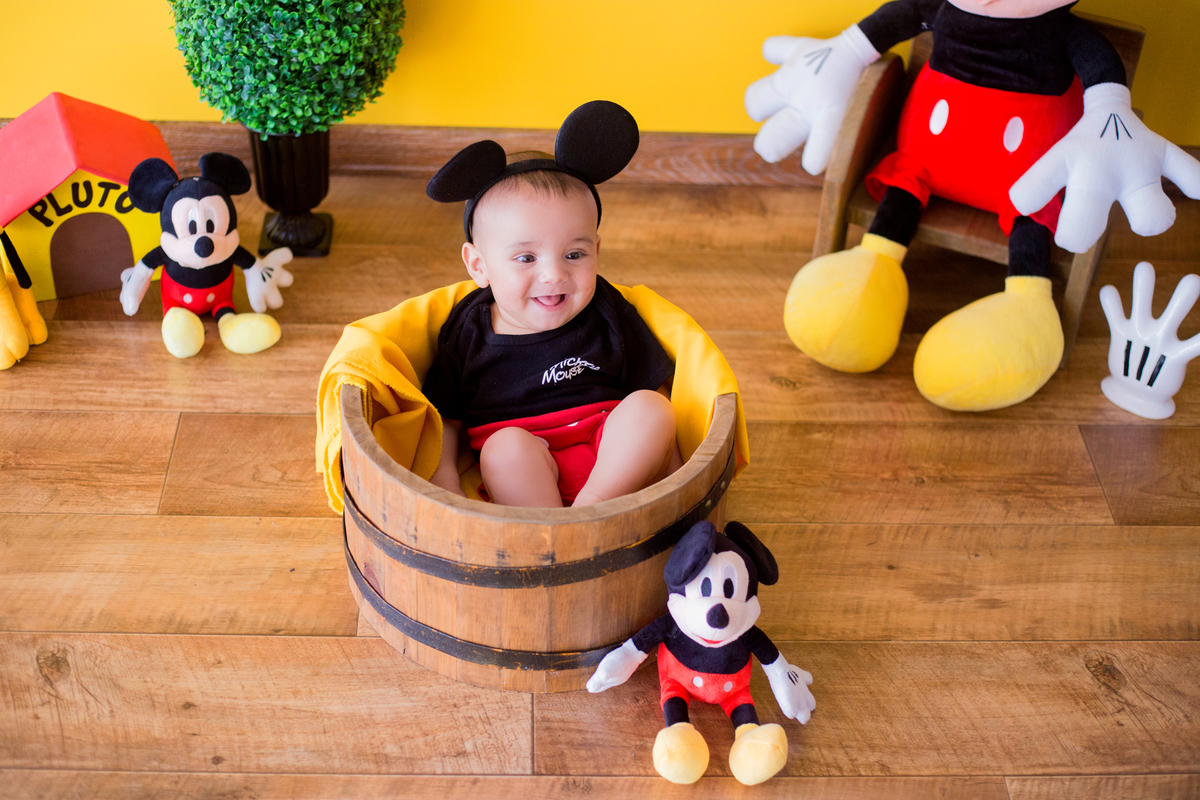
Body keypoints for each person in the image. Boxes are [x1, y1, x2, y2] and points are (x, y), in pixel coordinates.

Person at [422, 103, 682, 507]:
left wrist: (677, 472)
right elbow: (446, 421)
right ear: (479, 266)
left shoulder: (607, 309)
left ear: (596, 250)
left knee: (652, 408)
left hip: (610, 462)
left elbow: (657, 387)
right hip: (525, 471)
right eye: (526, 258)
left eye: (574, 255)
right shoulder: (468, 330)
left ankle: (590, 510)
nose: (554, 275)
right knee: (502, 449)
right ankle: (550, 530)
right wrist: (445, 479)